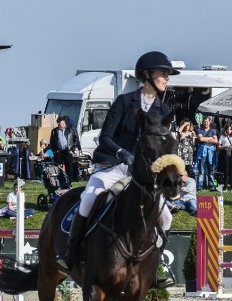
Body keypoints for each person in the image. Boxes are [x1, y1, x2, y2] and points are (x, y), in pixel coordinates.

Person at [55, 50, 179, 277]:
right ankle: (70, 253)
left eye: (167, 74)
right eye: (163, 73)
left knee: (166, 216)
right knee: (88, 199)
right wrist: (123, 153)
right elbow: (105, 138)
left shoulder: (165, 111)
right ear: (147, 75)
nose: (167, 78)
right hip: (113, 166)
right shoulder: (124, 102)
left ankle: (157, 265)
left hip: (142, 176)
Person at [50, 115, 81, 181]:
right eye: (57, 123)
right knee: (58, 167)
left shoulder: (71, 129)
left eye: (60, 122)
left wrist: (72, 148)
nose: (58, 124)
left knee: (69, 167)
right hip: (59, 151)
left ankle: (69, 182)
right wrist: (55, 151)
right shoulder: (54, 131)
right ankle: (60, 181)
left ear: (63, 122)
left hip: (68, 151)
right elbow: (52, 142)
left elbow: (76, 139)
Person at [194, 116, 219, 191]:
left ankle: (212, 186)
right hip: (202, 151)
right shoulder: (199, 130)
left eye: (207, 122)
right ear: (202, 122)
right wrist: (211, 139)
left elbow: (216, 141)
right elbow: (200, 139)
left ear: (209, 122)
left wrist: (205, 140)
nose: (206, 123)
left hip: (211, 151)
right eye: (204, 122)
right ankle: (199, 186)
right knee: (201, 170)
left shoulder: (213, 131)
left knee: (211, 170)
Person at [218, 124, 232, 190]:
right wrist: (225, 146)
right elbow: (219, 147)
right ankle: (225, 187)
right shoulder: (222, 136)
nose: (229, 130)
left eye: (230, 129)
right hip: (225, 152)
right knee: (226, 171)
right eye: (227, 129)